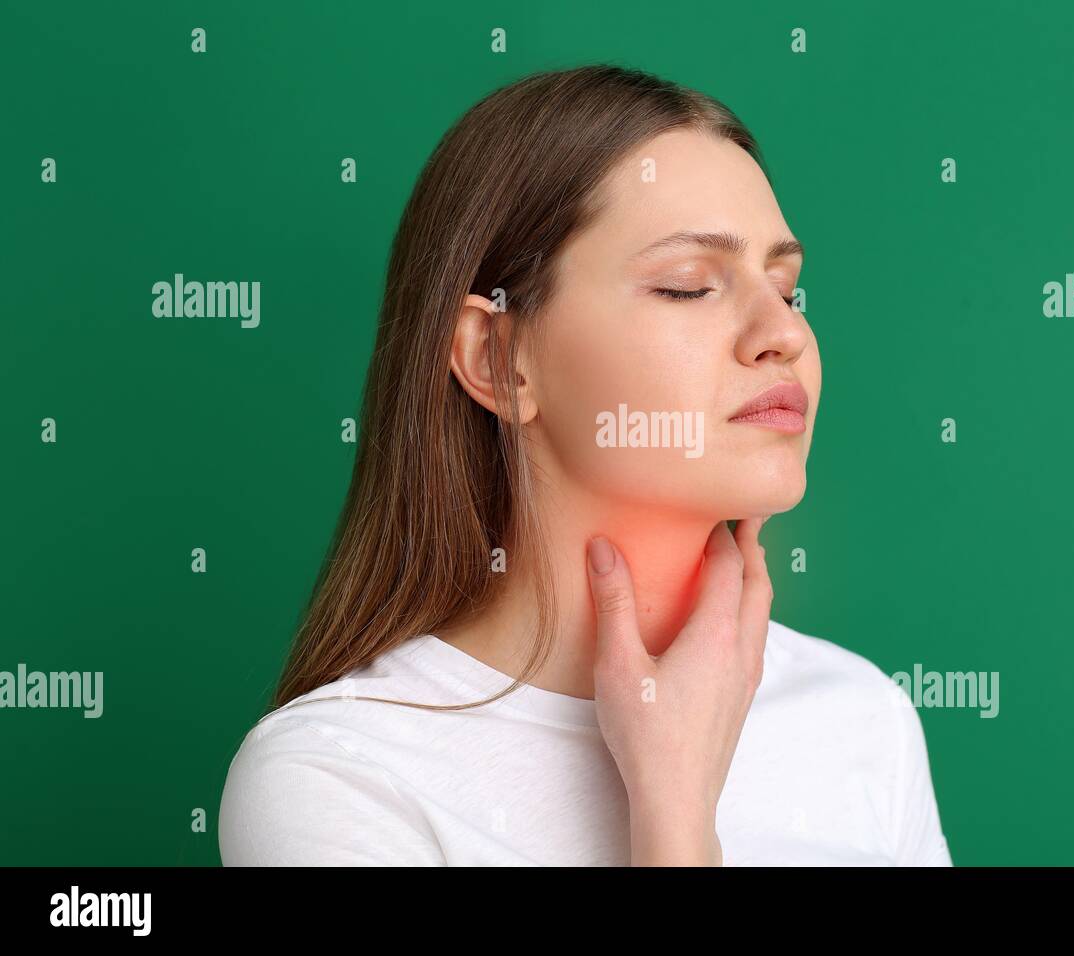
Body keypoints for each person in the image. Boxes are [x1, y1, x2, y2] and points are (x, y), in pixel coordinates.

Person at [217, 64, 953, 866]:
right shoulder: (341, 777)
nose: (784, 333)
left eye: (786, 287)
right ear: (498, 357)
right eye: (688, 287)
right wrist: (673, 804)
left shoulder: (862, 720)